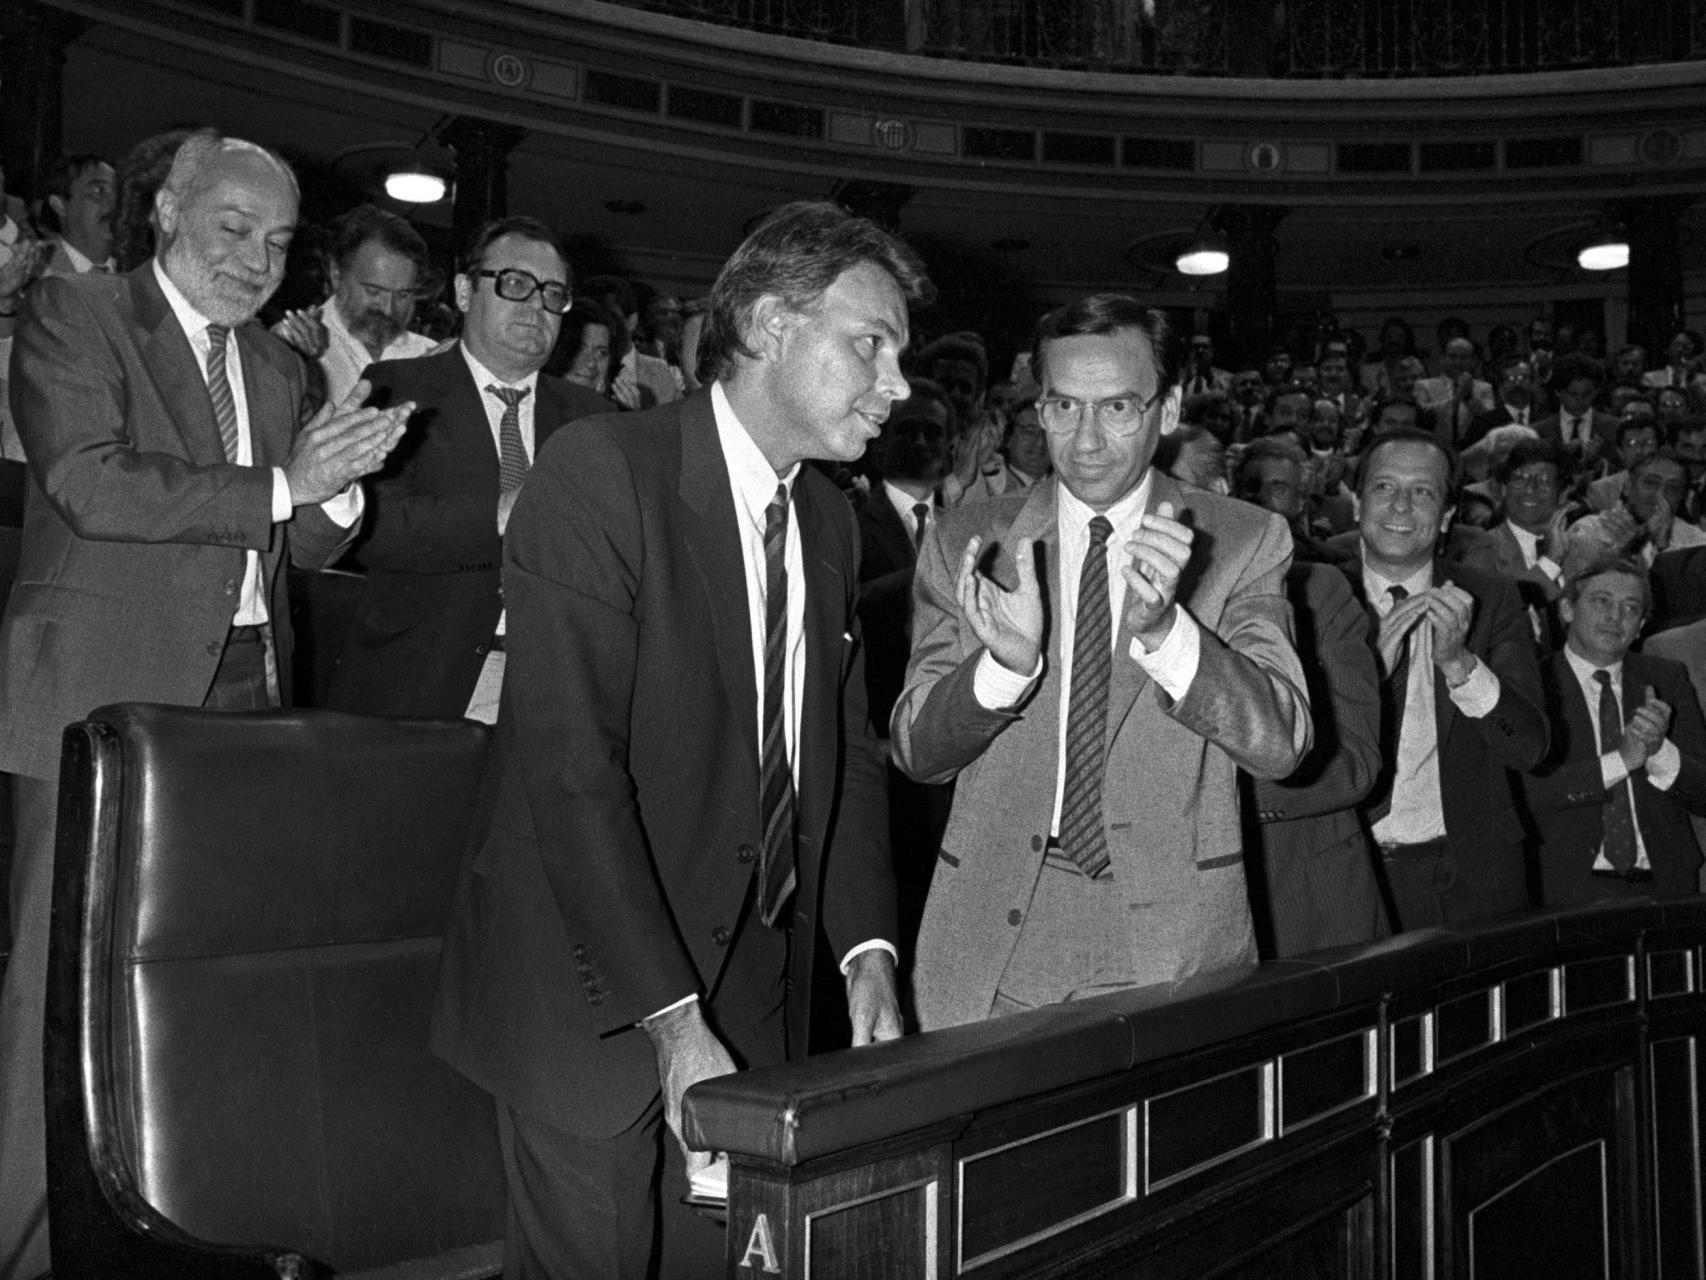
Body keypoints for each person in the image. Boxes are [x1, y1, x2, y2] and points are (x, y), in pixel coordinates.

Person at [429, 200, 922, 1277]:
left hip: (755, 981)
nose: (896, 385)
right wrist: (669, 1017)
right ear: (772, 324)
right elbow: (567, 769)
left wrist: (865, 948)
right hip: (589, 989)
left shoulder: (834, 519)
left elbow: (834, 755)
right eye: (870, 345)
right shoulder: (600, 472)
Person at [0, 131, 410, 1280]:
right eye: (233, 228)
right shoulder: (78, 315)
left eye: (277, 242)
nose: (254, 258)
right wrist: (291, 485)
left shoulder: (277, 370)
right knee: (53, 987)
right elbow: (88, 480)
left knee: (205, 975)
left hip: (244, 688)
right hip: (96, 683)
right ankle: (25, 1247)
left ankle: (172, 1218)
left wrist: (340, 492)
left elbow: (307, 540)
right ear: (168, 212)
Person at [891, 293, 1309, 1031]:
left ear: (1167, 408)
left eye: (1117, 408)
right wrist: (1004, 670)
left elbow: (1282, 744)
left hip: (1171, 937)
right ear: (1038, 408)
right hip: (993, 929)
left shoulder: (1244, 540)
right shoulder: (968, 540)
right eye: (1063, 407)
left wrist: (1169, 634)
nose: (1086, 441)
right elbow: (918, 752)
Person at [323, 216, 612, 722]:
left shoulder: (594, 419)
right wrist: (504, 513)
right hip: (423, 680)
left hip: (553, 690)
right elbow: (375, 529)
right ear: (463, 291)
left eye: (553, 294)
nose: (535, 306)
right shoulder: (396, 388)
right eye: (515, 284)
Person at [1347, 430, 1548, 930]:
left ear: (1447, 516)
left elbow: (1531, 747)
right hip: (1349, 868)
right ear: (1356, 503)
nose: (1400, 506)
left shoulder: (1491, 597)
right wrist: (1369, 675)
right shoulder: (1310, 595)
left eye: (1423, 492)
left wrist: (1460, 665)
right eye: (1384, 487)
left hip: (1471, 870)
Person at [1522, 558, 1705, 904]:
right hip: (1568, 889)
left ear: (1640, 627)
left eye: (1630, 607)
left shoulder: (1667, 679)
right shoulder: (1532, 685)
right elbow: (1527, 791)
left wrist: (1659, 752)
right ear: (1567, 610)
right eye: (1601, 601)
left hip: (1665, 884)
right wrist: (1621, 761)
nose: (1615, 617)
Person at [270, 203, 439, 407]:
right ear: (336, 274)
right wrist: (279, 356)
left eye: (403, 295)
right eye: (374, 291)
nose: (388, 309)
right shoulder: (293, 345)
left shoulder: (431, 357)